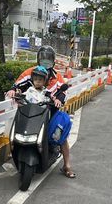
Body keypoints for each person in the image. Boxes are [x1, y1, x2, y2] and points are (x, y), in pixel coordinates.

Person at [6, 46, 76, 178]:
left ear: (53, 60)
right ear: (38, 59)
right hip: (30, 110)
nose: (45, 61)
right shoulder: (30, 72)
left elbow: (63, 92)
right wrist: (12, 90)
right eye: (43, 58)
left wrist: (59, 100)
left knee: (61, 136)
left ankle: (67, 165)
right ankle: (16, 150)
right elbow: (17, 85)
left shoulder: (57, 77)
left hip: (50, 110)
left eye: (48, 58)